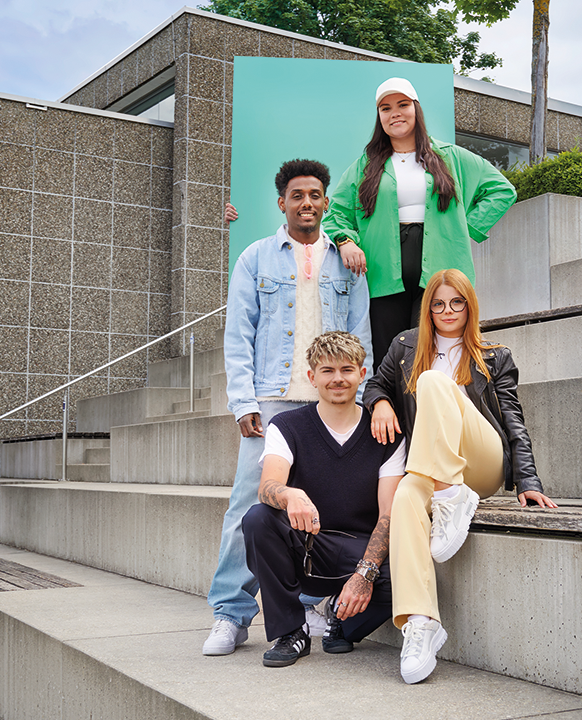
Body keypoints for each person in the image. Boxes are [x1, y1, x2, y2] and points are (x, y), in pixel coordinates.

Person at [202, 160, 372, 656]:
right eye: (297, 195)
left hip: (333, 398)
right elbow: (239, 336)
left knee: (329, 506)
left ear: (325, 202)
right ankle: (230, 615)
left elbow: (360, 333)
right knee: (249, 506)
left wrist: (359, 397)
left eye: (315, 195)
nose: (307, 203)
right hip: (274, 398)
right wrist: (243, 401)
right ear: (282, 203)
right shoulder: (255, 258)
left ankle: (311, 603)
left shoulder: (348, 261)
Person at [362, 268, 557, 684]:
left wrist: (528, 482)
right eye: (438, 304)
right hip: (433, 469)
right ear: (427, 309)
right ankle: (421, 622)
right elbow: (374, 385)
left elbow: (513, 421)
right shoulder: (404, 347)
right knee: (406, 497)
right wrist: (380, 402)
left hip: (481, 463)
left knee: (433, 381)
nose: (447, 311)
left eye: (457, 303)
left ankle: (453, 494)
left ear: (470, 307)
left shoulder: (494, 355)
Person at [324, 77, 517, 369]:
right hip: (382, 274)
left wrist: (466, 229)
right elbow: (336, 211)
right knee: (390, 356)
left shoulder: (450, 157)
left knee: (435, 355)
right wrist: (345, 240)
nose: (395, 113)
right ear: (379, 117)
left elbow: (502, 191)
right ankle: (390, 414)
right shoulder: (366, 165)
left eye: (403, 105)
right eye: (386, 108)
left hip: (441, 271)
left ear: (416, 109)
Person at [242, 331, 404, 666]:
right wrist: (289, 494)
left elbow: (388, 513)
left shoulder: (386, 433)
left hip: (358, 548)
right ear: (311, 377)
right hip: (307, 546)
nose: (337, 379)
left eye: (346, 369)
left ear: (362, 374)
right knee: (258, 519)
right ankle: (291, 632)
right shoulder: (288, 426)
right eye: (327, 371)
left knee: (401, 580)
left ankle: (341, 626)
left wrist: (365, 573)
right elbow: (267, 486)